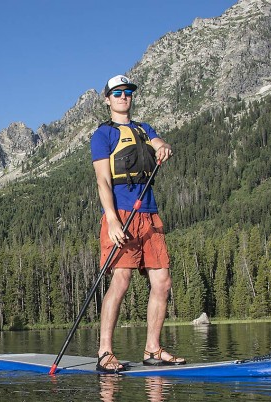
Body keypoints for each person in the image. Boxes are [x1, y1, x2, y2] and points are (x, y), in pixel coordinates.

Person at [91, 75, 185, 373]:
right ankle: (105, 351)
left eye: (127, 92)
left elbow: (159, 142)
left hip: (149, 214)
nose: (123, 97)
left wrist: (163, 146)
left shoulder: (144, 129)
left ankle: (153, 350)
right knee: (121, 279)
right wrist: (112, 220)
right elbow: (103, 181)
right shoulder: (102, 135)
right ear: (107, 99)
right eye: (117, 93)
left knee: (163, 282)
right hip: (120, 214)